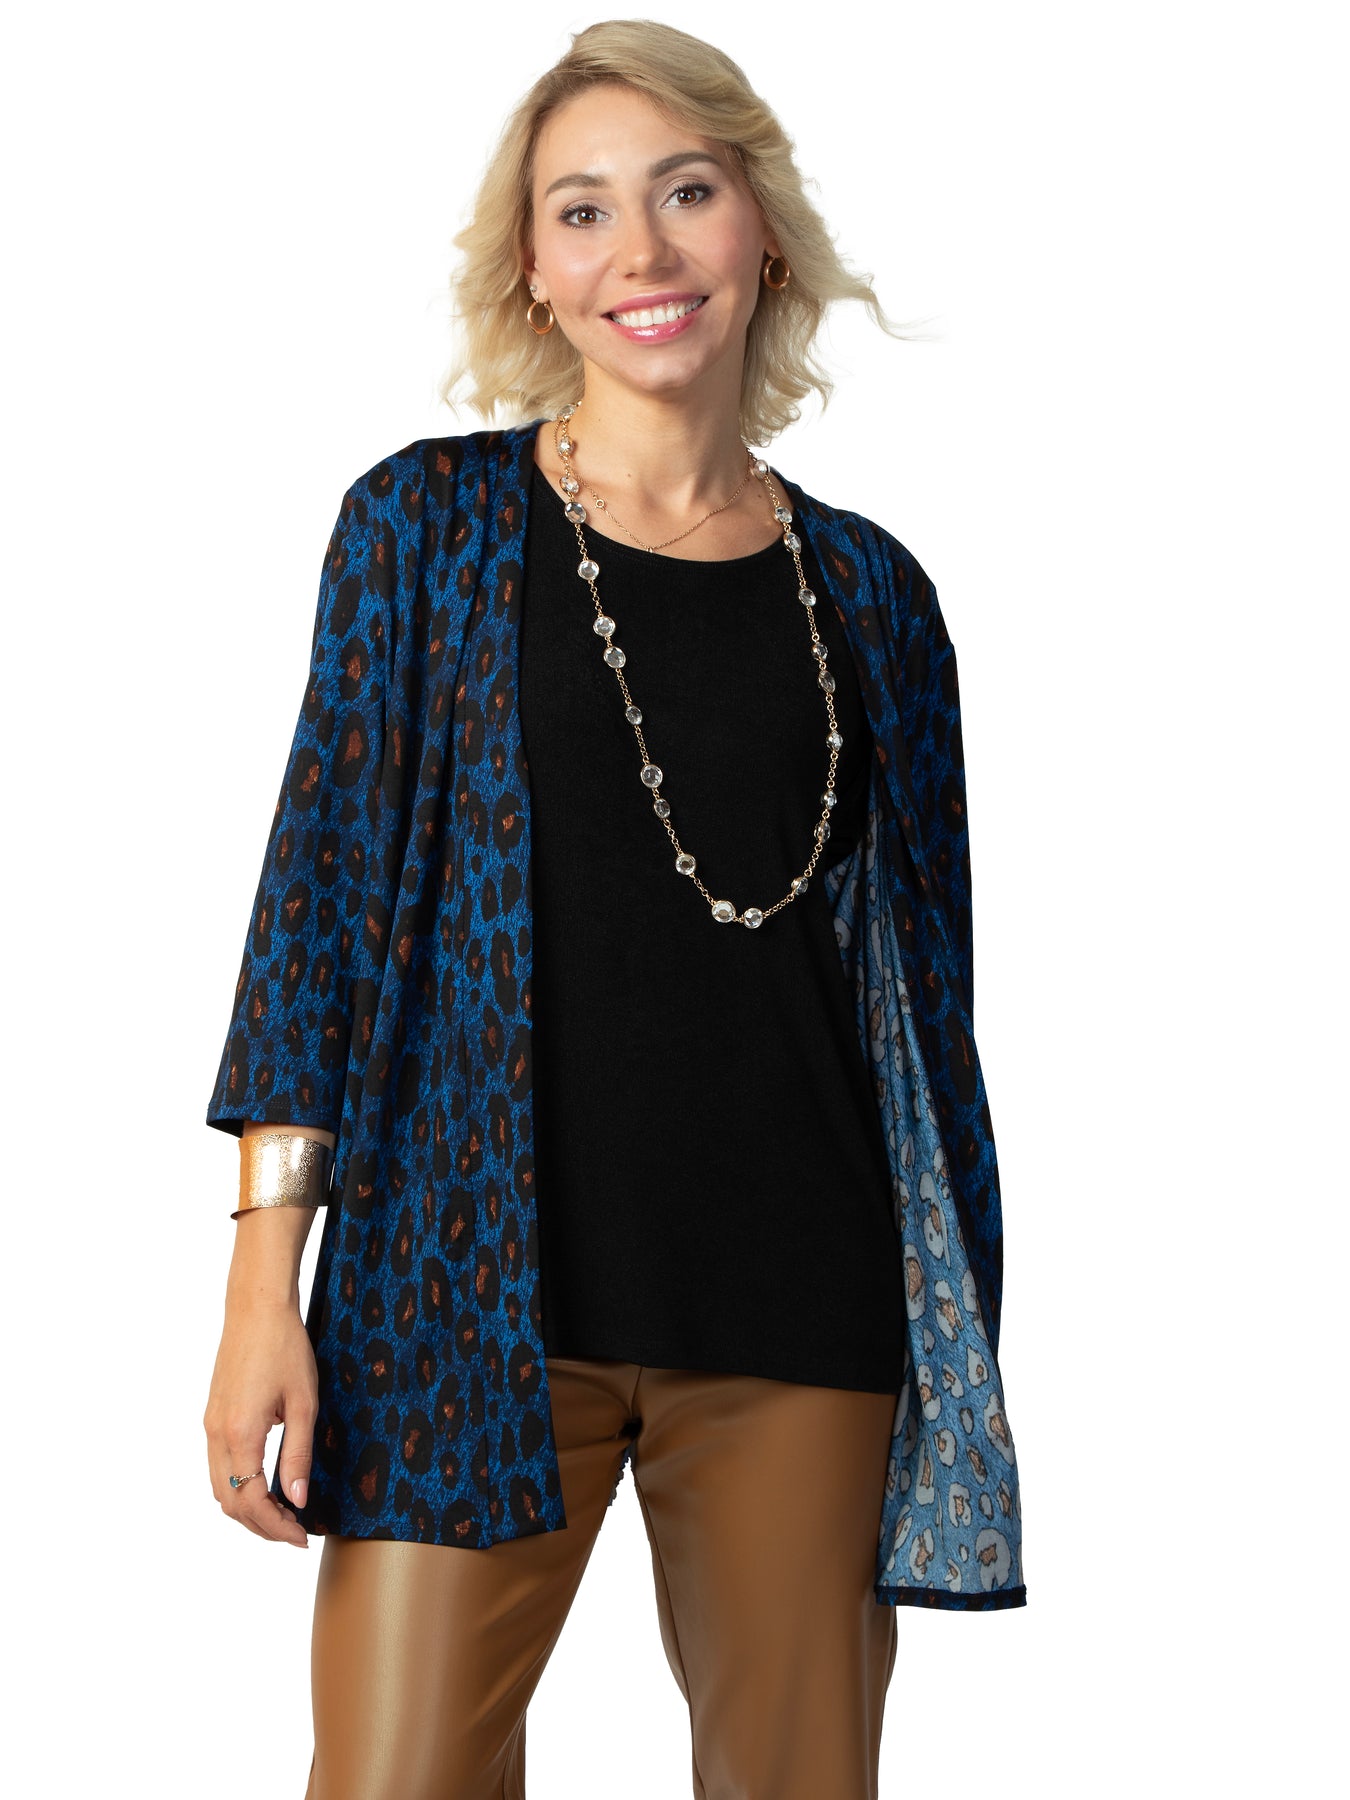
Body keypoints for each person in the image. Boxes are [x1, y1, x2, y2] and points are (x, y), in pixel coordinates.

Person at [202, 19, 1026, 1799]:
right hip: (462, 1294)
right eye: (581, 211)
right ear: (532, 269)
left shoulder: (873, 594)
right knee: (393, 1775)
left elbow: (926, 1011)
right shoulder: (423, 530)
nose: (640, 250)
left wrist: (950, 1323)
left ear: (761, 231)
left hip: (801, 1309)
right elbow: (316, 914)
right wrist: (265, 1285)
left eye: (685, 192)